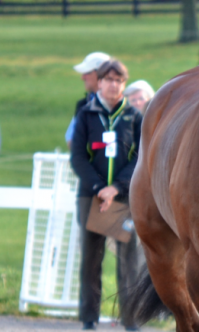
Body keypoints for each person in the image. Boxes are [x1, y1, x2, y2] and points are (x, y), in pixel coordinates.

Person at [70, 59, 142, 331]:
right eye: (108, 79)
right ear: (99, 82)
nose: (113, 85)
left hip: (123, 199)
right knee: (91, 260)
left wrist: (117, 188)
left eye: (119, 80)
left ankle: (131, 320)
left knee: (129, 264)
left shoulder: (133, 116)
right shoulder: (86, 115)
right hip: (91, 198)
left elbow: (140, 157)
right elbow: (78, 157)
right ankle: (89, 319)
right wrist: (99, 188)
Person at [66, 52, 111, 148]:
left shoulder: (123, 105)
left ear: (100, 74)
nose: (82, 77)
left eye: (87, 73)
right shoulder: (83, 104)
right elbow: (71, 141)